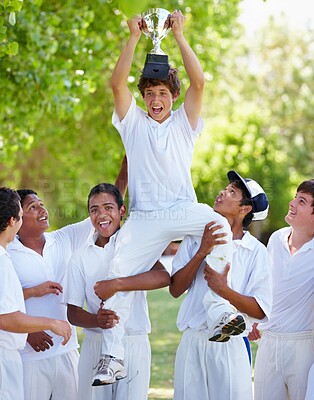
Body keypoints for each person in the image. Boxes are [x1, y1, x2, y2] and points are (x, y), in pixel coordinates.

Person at [93, 10, 239, 385]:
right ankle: (113, 357)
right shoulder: (133, 123)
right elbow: (116, 85)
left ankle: (218, 310)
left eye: (162, 93)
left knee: (220, 225)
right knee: (116, 273)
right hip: (144, 217)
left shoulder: (184, 124)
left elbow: (200, 82)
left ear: (172, 97)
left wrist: (179, 36)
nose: (156, 99)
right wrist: (133, 37)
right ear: (143, 98)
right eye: (150, 93)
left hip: (181, 208)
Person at [169, 171, 272, 399]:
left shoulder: (256, 252)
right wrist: (202, 251)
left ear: (245, 209)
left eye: (231, 192)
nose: (222, 192)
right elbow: (175, 289)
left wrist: (223, 290)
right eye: (226, 189)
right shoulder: (196, 238)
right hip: (193, 340)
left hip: (231, 344)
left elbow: (260, 309)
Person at [65, 183, 170, 399]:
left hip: (134, 340)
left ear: (121, 211)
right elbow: (72, 312)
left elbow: (163, 277)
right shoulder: (79, 257)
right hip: (96, 343)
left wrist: (118, 284)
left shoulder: (137, 249)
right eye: (94, 210)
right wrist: (97, 320)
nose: (101, 215)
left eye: (108, 207)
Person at [7, 189, 95, 400]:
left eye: (41, 204)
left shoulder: (62, 239)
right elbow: (4, 300)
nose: (42, 210)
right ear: (18, 217)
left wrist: (126, 171)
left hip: (67, 350)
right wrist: (27, 332)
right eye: (32, 207)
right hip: (30, 357)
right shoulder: (7, 252)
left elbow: (100, 213)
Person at [0, 187, 71, 400]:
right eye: (22, 215)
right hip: (6, 358)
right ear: (13, 221)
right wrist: (52, 323)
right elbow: (6, 318)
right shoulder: (3, 261)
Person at [253, 179, 314, 400]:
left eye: (302, 201)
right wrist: (254, 320)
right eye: (295, 197)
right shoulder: (276, 238)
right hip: (267, 341)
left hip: (303, 346)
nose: (292, 203)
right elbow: (266, 287)